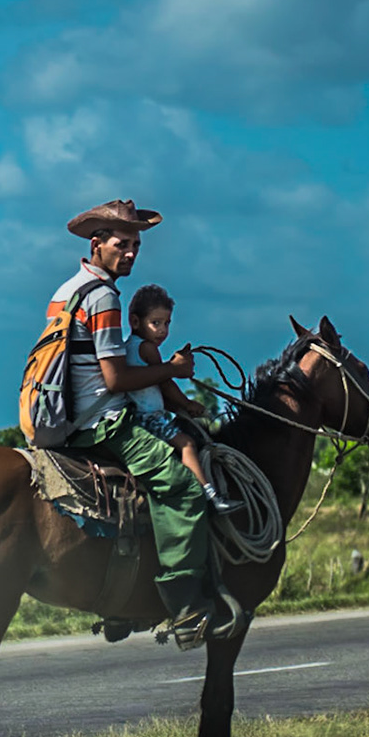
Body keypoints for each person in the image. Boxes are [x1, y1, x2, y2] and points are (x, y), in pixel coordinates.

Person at [44, 198, 229, 636]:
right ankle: (185, 608)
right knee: (184, 487)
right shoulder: (104, 296)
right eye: (121, 244)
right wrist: (175, 371)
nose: (129, 253)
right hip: (104, 422)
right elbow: (115, 379)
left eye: (136, 246)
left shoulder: (64, 292)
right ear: (96, 244)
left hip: (62, 418)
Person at [126, 284, 243, 515]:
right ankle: (209, 495)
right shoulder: (148, 348)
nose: (162, 331)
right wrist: (187, 403)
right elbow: (165, 383)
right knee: (187, 444)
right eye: (155, 323)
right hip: (149, 420)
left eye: (167, 323)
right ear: (135, 322)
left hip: (137, 417)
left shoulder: (127, 347)